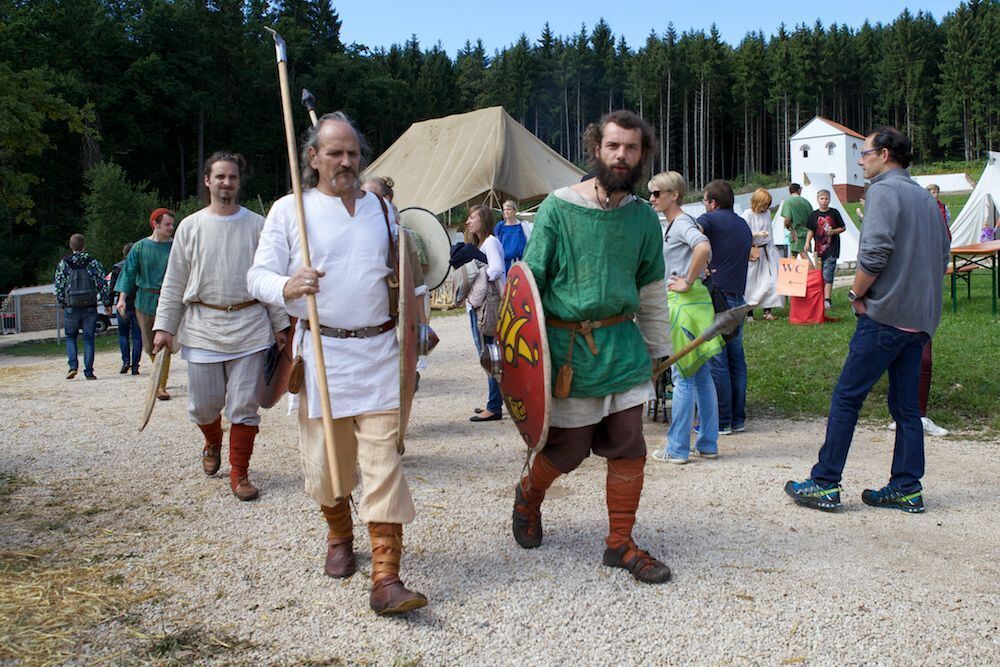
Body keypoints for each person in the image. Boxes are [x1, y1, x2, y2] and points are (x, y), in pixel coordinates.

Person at [247, 112, 428, 615]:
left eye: (352, 152)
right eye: (335, 153)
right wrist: (287, 285)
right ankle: (339, 534)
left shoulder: (381, 210)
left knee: (383, 463)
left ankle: (386, 577)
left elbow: (405, 272)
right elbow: (256, 277)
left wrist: (416, 322)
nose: (346, 161)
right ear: (312, 157)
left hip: (379, 353)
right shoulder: (290, 210)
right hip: (323, 355)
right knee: (328, 467)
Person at [511, 110, 672, 584]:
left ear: (643, 155)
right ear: (597, 149)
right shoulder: (559, 208)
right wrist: (523, 356)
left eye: (632, 148)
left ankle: (620, 542)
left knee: (629, 447)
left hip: (622, 347)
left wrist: (657, 349)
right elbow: (530, 283)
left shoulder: (643, 218)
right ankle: (528, 494)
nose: (622, 155)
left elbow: (651, 290)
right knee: (568, 451)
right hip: (569, 353)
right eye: (613, 146)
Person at [785, 126, 951, 514]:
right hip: (919, 321)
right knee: (907, 409)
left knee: (847, 396)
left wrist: (856, 294)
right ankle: (907, 487)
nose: (860, 161)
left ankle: (825, 482)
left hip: (885, 316)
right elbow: (943, 255)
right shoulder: (926, 199)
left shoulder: (882, 192)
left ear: (885, 154)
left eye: (865, 153)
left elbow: (874, 255)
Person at [153, 152, 289, 502]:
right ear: (207, 181)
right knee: (202, 406)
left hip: (250, 326)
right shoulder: (190, 226)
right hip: (203, 326)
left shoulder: (258, 225)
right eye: (220, 176)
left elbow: (270, 279)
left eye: (232, 177)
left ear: (239, 182)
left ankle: (239, 472)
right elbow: (174, 280)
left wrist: (280, 325)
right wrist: (164, 327)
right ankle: (212, 440)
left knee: (244, 406)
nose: (227, 182)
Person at [647, 171, 721, 464]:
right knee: (700, 376)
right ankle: (708, 443)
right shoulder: (678, 223)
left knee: (683, 377)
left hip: (683, 307)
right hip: (693, 307)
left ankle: (677, 448)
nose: (652, 198)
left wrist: (687, 280)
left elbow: (703, 246)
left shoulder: (681, 223)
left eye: (656, 193)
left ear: (674, 194)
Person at [699, 180, 752, 435]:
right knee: (736, 359)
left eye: (704, 200)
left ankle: (721, 420)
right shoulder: (743, 224)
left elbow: (694, 231)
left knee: (717, 359)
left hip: (716, 296)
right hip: (738, 297)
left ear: (713, 202)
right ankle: (737, 418)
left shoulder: (709, 220)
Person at [115, 208, 175, 396]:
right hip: (144, 302)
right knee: (150, 346)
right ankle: (159, 378)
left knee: (164, 343)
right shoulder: (139, 247)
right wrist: (122, 299)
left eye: (172, 224)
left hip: (168, 300)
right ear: (155, 224)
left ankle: (161, 385)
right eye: (167, 224)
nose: (171, 228)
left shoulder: (176, 247)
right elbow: (128, 273)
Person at [461, 205, 505, 422]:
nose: (468, 222)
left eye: (472, 218)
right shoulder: (481, 244)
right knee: (487, 354)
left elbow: (496, 269)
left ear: (483, 220)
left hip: (488, 306)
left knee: (489, 355)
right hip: (480, 306)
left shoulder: (491, 242)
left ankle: (494, 407)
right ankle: (494, 401)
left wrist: (476, 276)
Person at [54, 233, 108, 380]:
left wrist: (62, 302)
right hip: (89, 305)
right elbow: (102, 283)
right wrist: (106, 302)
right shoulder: (92, 262)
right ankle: (89, 371)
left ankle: (73, 367)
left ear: (70, 246)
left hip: (71, 305)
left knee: (71, 337)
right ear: (84, 246)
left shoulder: (64, 263)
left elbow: (59, 285)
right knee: (89, 338)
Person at [740, 188, 784, 320]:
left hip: (767, 250)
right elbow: (743, 234)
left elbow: (770, 232)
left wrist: (773, 248)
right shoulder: (747, 214)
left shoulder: (767, 213)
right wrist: (757, 234)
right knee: (751, 283)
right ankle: (749, 314)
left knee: (770, 281)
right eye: (764, 204)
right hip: (753, 252)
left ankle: (767, 311)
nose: (765, 207)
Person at [803, 189, 847, 311]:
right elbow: (810, 230)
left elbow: (843, 227)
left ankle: (827, 300)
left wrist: (834, 231)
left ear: (830, 199)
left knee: (828, 273)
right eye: (822, 198)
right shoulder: (814, 215)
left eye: (826, 198)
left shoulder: (834, 213)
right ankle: (819, 298)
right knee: (819, 274)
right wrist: (807, 242)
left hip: (832, 248)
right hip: (818, 250)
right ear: (817, 199)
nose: (824, 201)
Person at [109, 242, 142, 374]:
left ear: (124, 253)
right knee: (137, 336)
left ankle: (125, 361)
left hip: (123, 303)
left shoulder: (117, 268)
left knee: (123, 334)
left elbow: (112, 287)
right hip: (138, 303)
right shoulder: (141, 267)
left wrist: (108, 303)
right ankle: (135, 366)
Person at [493, 199, 533, 272]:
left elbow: (529, 243)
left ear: (514, 210)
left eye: (508, 209)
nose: (506, 212)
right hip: (504, 263)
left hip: (519, 262)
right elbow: (495, 244)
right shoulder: (500, 226)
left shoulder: (523, 226)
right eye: (504, 210)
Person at [777, 183, 813, 259]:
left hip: (796, 232)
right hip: (806, 231)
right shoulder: (806, 202)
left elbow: (787, 218)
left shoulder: (788, 202)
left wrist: (787, 227)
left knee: (804, 255)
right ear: (799, 190)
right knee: (793, 255)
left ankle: (811, 267)